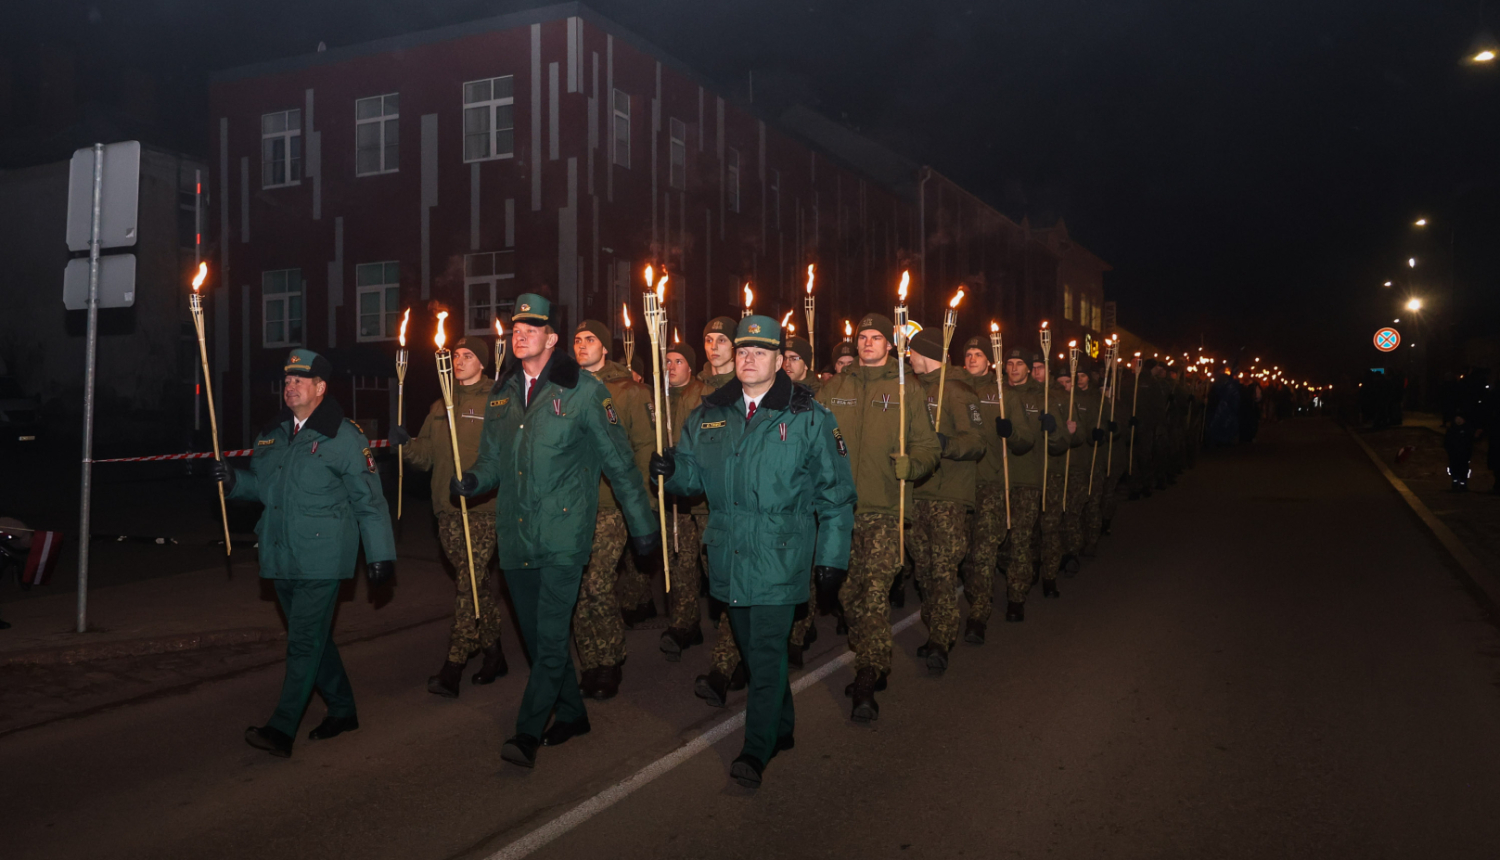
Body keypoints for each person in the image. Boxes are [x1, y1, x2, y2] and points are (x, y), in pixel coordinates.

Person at [454, 294, 660, 769]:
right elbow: (491, 461)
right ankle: (572, 712)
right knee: (538, 639)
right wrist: (473, 480)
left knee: (549, 640)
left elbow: (620, 463)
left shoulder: (584, 391)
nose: (518, 331)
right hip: (516, 535)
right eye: (515, 326)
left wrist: (643, 524)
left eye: (531, 325)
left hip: (564, 535)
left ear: (551, 337)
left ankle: (527, 732)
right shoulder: (502, 392)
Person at [651, 314, 855, 788]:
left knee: (764, 651)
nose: (747, 358)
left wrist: (832, 557)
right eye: (742, 350)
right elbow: (691, 478)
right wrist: (668, 470)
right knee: (751, 647)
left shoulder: (808, 416)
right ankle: (782, 725)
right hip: (727, 553)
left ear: (780, 360)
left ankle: (755, 747)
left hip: (780, 555)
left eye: (759, 352)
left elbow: (836, 494)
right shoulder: (709, 413)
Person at [212, 349, 396, 758]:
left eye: (299, 380)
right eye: (287, 380)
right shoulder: (272, 433)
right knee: (313, 640)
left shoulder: (343, 436)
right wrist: (233, 483)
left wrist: (381, 554)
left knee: (302, 641)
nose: (290, 386)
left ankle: (282, 729)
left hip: (323, 555)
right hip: (279, 552)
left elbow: (369, 500)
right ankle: (343, 709)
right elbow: (265, 490)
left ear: (320, 388)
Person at [815, 313, 941, 721]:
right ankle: (874, 657)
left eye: (876, 338)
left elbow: (927, 447)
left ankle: (868, 674)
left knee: (873, 594)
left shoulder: (907, 389)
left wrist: (914, 464)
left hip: (885, 509)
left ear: (890, 345)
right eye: (862, 337)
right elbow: (811, 442)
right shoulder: (832, 388)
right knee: (849, 596)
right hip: (837, 514)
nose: (867, 343)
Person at [390, 337, 507, 698]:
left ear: (483, 363)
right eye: (456, 355)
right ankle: (494, 653)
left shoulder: (497, 401)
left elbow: (506, 457)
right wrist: (406, 445)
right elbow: (426, 457)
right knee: (475, 586)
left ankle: (453, 666)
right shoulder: (441, 404)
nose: (459, 361)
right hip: (446, 508)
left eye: (468, 355)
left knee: (466, 585)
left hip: (483, 508)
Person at [571, 320, 657, 698]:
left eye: (590, 340)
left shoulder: (629, 391)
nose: (582, 345)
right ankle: (589, 661)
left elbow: (643, 446)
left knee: (597, 584)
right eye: (577, 340)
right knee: (574, 586)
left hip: (611, 504)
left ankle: (609, 660)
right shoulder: (563, 387)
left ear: (605, 348)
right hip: (571, 506)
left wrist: (645, 505)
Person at [906, 327, 985, 674]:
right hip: (916, 494)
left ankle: (941, 638)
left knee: (942, 570)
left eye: (911, 352)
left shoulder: (958, 390)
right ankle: (934, 628)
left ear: (924, 353)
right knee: (923, 571)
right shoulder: (911, 389)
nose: (908, 358)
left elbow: (977, 441)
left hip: (948, 496)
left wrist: (945, 443)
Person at [959, 341, 1034, 643]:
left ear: (989, 362)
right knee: (964, 553)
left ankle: (979, 615)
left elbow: (1025, 440)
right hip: (960, 484)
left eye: (978, 355)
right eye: (968, 355)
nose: (972, 358)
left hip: (991, 482)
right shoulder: (955, 390)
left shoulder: (1004, 395)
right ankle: (976, 596)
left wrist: (1012, 432)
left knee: (985, 551)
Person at [659, 342, 713, 660]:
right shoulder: (658, 398)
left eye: (678, 361)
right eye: (667, 361)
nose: (671, 367)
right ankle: (684, 624)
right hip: (673, 497)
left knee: (710, 561)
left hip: (703, 496)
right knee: (679, 561)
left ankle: (729, 623)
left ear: (690, 367)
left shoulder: (705, 396)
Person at [1000, 349, 1056, 622]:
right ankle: (1018, 573)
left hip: (1028, 478)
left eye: (1019, 363)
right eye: (1009, 363)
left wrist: (1054, 429)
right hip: (999, 478)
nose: (1013, 368)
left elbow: (1060, 444)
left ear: (1029, 368)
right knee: (1000, 543)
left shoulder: (1041, 397)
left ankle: (1016, 597)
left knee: (1020, 540)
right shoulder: (995, 394)